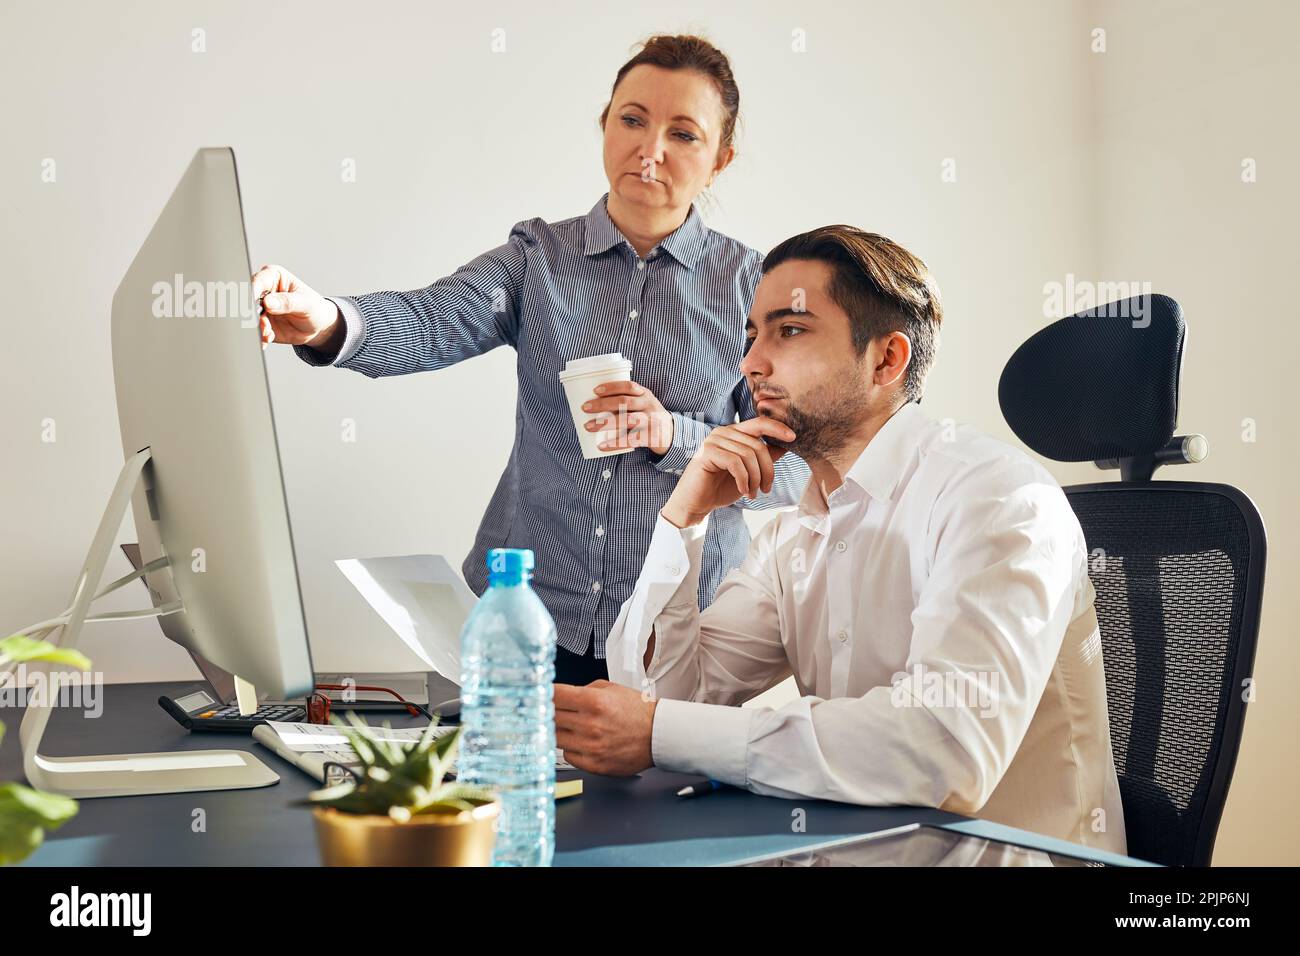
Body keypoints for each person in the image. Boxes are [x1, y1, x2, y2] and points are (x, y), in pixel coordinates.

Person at [553, 225, 1128, 854]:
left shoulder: (997, 498)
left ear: (886, 360)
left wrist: (661, 731)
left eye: (789, 331)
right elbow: (661, 699)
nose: (751, 364)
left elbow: (946, 748)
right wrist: (682, 522)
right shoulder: (793, 533)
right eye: (751, 336)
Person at [252, 35, 809, 684]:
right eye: (632, 120)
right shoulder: (536, 259)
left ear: (720, 160)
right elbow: (431, 320)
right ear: (605, 124)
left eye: (683, 134)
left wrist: (673, 436)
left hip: (677, 640)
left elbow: (799, 469)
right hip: (521, 626)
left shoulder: (755, 288)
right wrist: (326, 320)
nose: (650, 149)